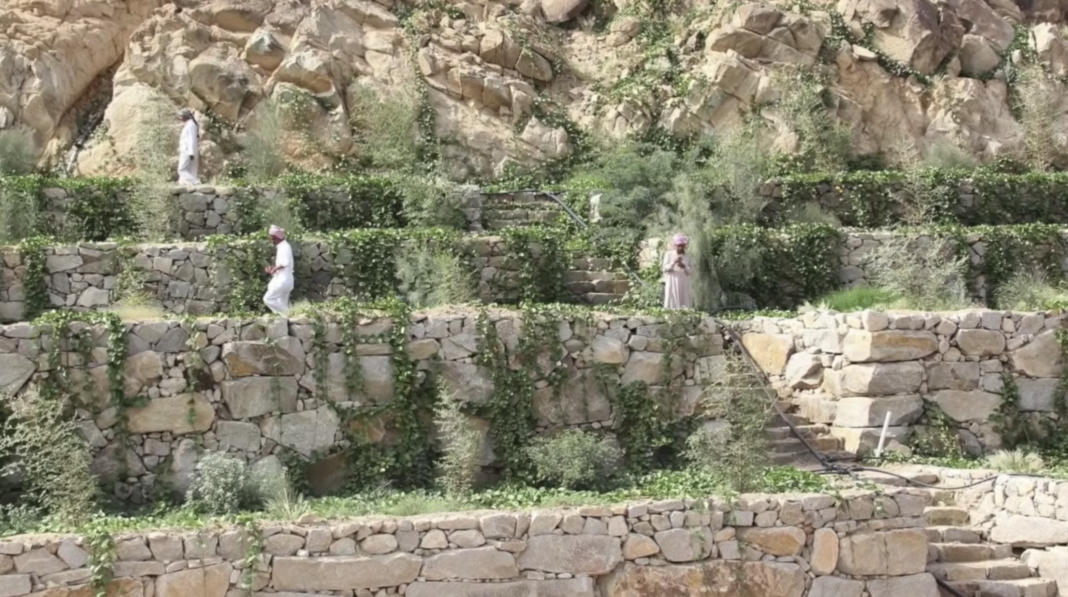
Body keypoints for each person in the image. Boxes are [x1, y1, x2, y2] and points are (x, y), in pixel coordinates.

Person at [263, 225, 294, 314]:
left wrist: (274, 269)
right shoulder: (282, 247)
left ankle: (291, 313)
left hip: (283, 280)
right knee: (281, 305)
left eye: (272, 238)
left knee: (268, 299)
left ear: (277, 238)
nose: (271, 240)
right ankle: (286, 321)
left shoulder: (285, 247)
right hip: (285, 280)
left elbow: (285, 263)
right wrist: (273, 269)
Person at [662, 233, 693, 309]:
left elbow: (691, 271)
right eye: (678, 246)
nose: (680, 248)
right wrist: (673, 262)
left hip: (683, 281)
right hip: (672, 279)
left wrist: (684, 266)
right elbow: (665, 268)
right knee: (672, 298)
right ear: (675, 245)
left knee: (684, 298)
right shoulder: (668, 254)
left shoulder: (688, 256)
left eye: (682, 246)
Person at [177, 109, 200, 185]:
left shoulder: (191, 125)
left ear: (186, 117)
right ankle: (185, 183)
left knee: (181, 169)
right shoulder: (188, 125)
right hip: (185, 150)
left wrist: (191, 152)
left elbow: (191, 139)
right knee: (187, 169)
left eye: (181, 116)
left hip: (187, 150)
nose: (180, 118)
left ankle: (195, 181)